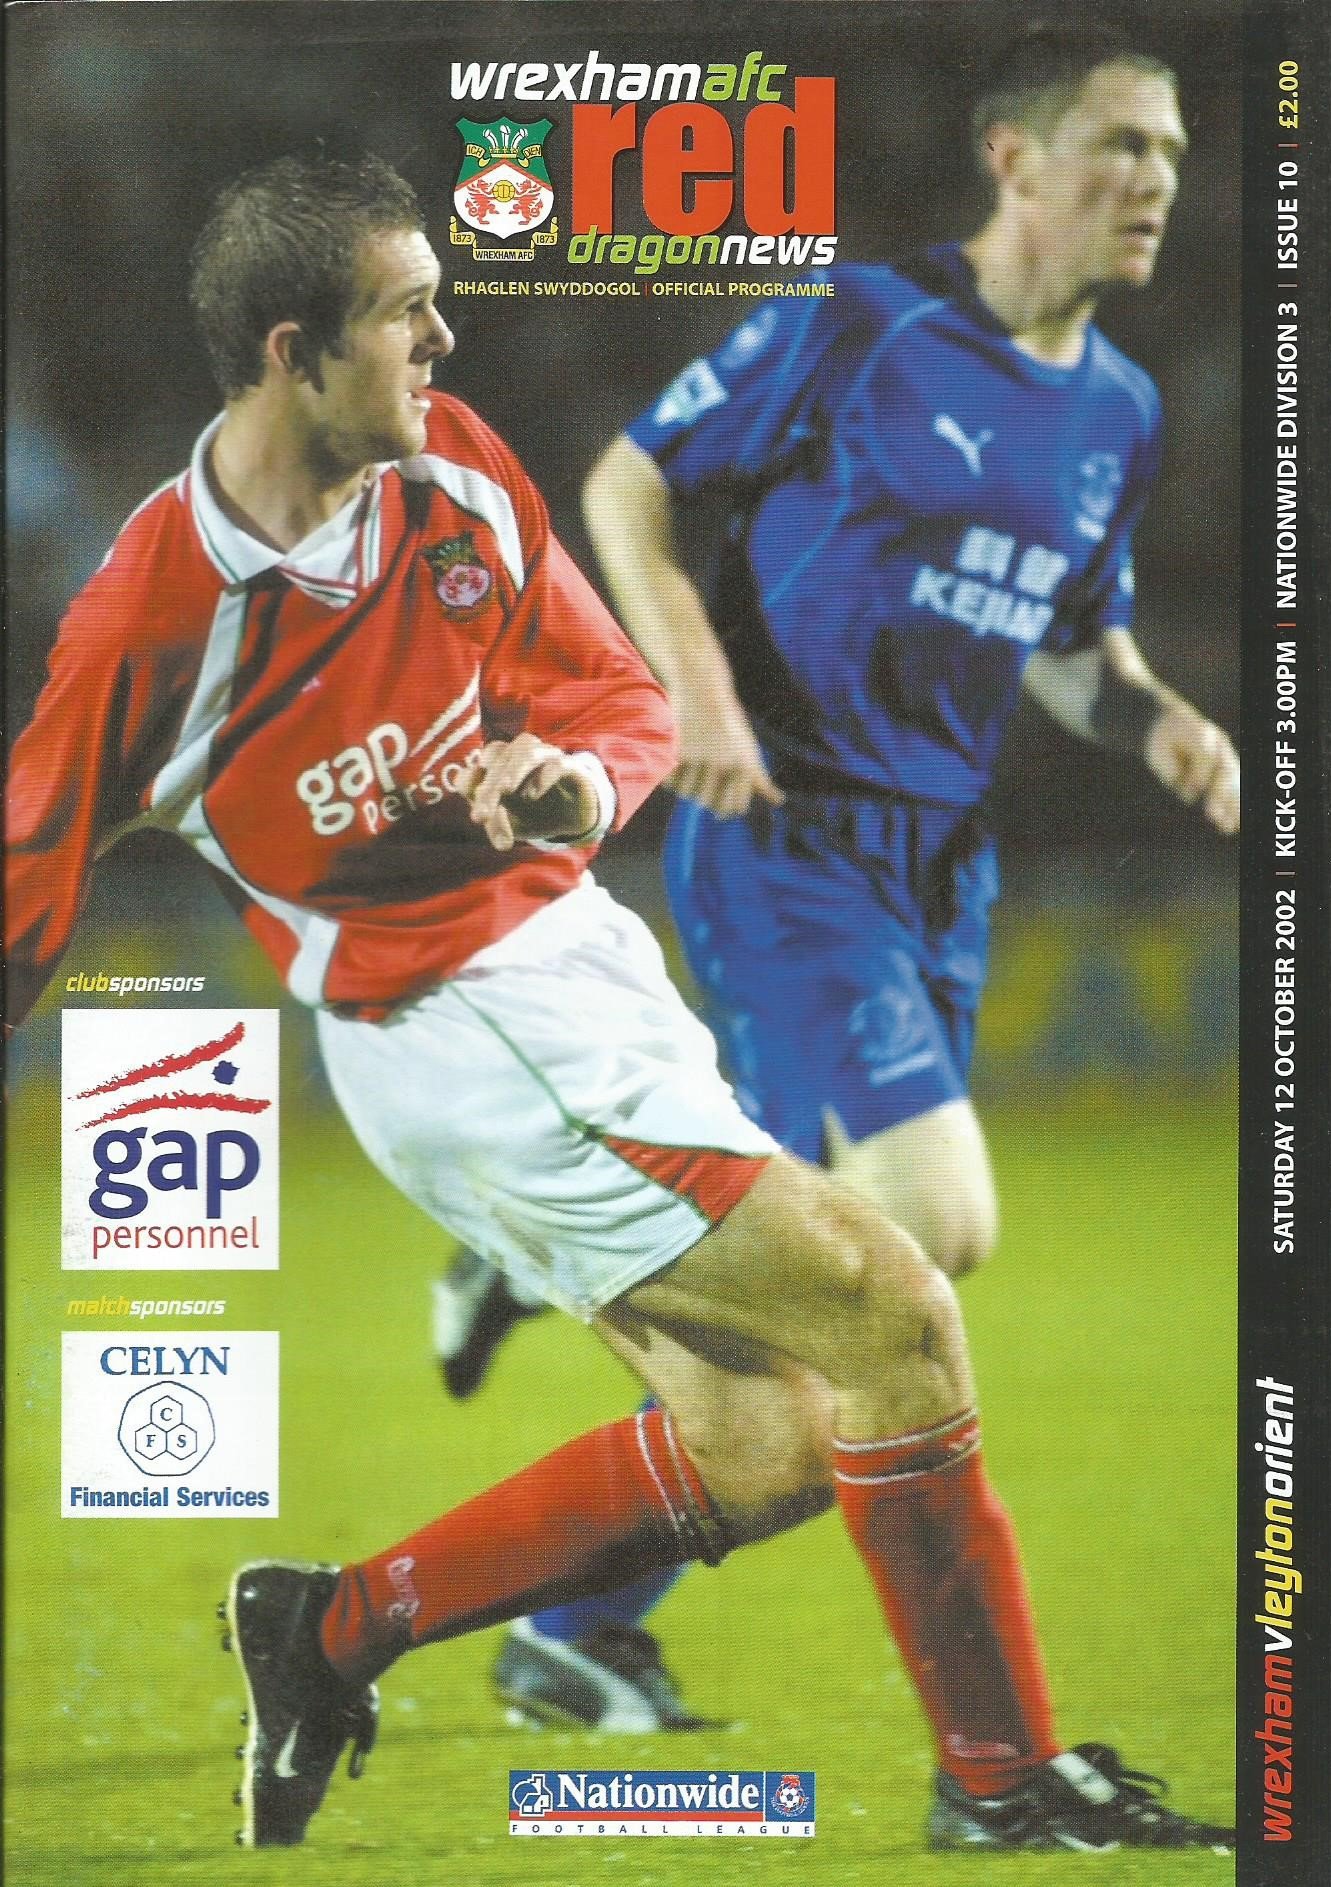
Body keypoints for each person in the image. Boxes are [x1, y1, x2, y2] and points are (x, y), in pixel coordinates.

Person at [7, 149, 1233, 1856]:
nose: (446, 338)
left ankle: (332, 1628)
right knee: (893, 1309)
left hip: (580, 967)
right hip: (458, 1030)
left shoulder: (450, 465)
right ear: (294, 354)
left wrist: (572, 783)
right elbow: (25, 879)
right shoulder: (153, 617)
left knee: (769, 1444)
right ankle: (1005, 1784)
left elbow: (617, 701)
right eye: (407, 312)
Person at [433, 20, 1241, 1719]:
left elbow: (1070, 643)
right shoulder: (862, 324)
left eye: (1173, 150)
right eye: (1123, 142)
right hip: (788, 830)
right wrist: (696, 685)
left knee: (817, 1270)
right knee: (933, 1224)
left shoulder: (1122, 409)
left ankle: (573, 1605)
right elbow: (630, 481)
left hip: (939, 865)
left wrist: (1159, 716)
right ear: (1015, 158)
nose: (1159, 177)